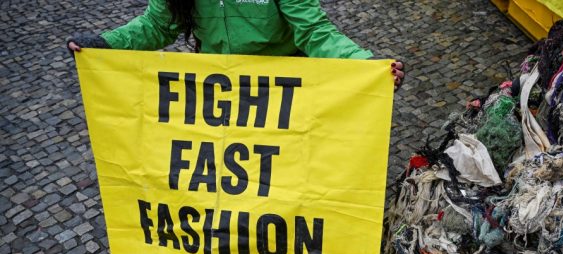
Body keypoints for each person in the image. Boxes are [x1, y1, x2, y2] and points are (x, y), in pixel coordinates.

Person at [67, 0, 404, 88]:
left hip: (285, 87)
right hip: (222, 87)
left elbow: (314, 31)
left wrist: (366, 66)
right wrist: (105, 43)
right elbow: (157, 24)